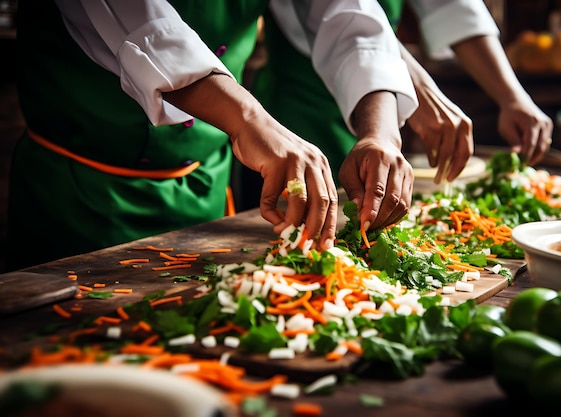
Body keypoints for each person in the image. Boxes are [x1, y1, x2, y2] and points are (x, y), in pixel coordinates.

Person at [7, 0, 419, 271]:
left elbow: (352, 21)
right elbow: (142, 23)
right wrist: (251, 121)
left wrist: (380, 135)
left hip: (207, 189)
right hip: (72, 193)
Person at [248, 0, 553, 202]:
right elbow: (341, 18)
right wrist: (407, 78)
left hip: (377, 97)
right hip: (303, 107)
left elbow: (452, 7)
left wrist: (513, 98)